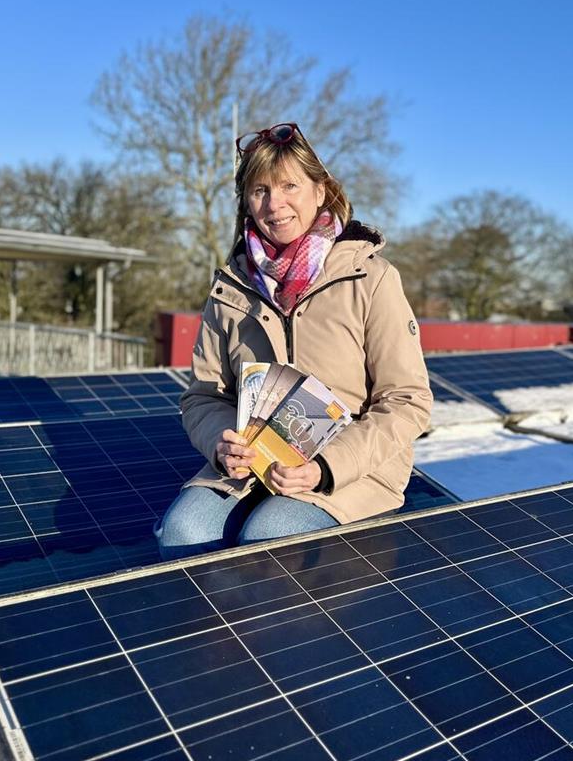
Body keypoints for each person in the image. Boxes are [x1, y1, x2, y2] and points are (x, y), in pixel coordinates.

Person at [156, 122, 433, 559]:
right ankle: (210, 627)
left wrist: (325, 468)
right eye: (260, 190)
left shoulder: (371, 278)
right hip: (252, 467)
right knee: (183, 533)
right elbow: (203, 397)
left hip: (350, 468)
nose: (275, 204)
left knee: (270, 536)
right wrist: (220, 441)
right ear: (246, 202)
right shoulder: (231, 287)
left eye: (290, 185)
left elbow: (407, 400)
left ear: (321, 190)